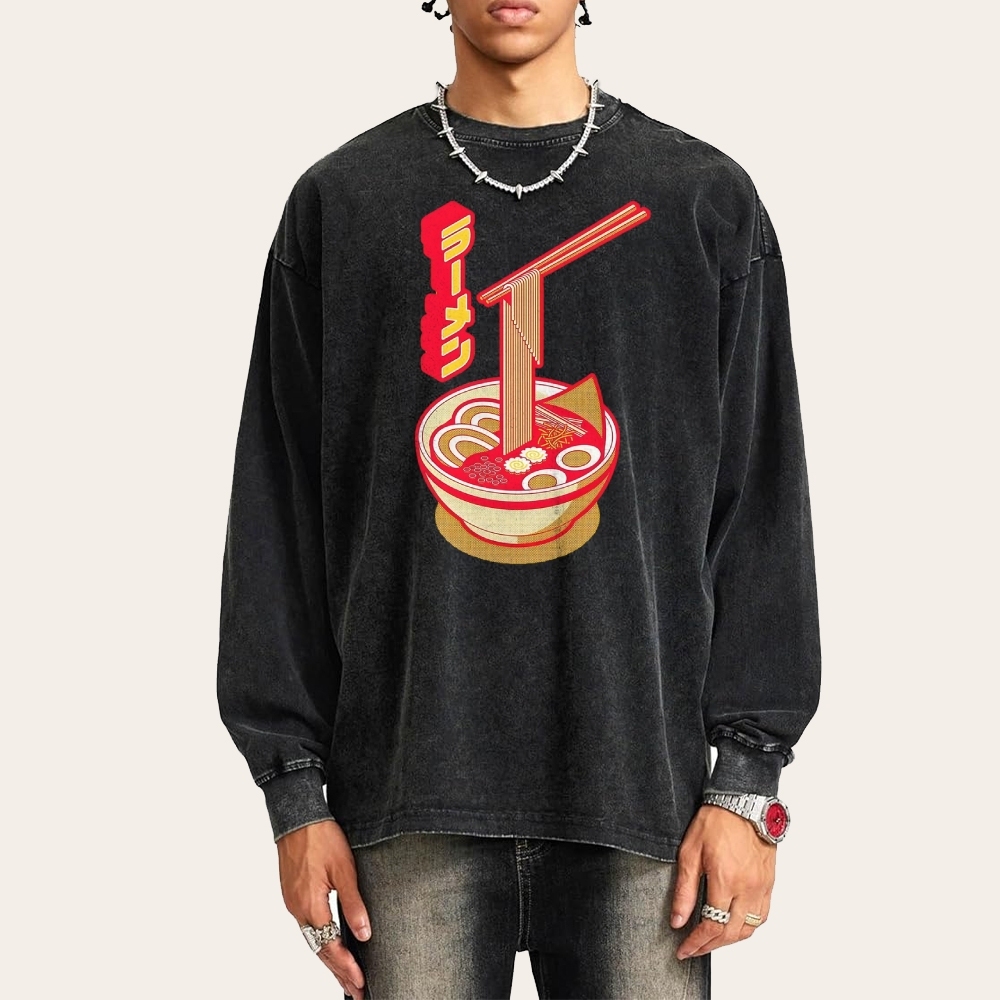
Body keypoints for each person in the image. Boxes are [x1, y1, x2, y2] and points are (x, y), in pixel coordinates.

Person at [215, 2, 822, 997]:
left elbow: (760, 503)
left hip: (647, 804)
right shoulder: (344, 201)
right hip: (404, 802)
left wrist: (749, 785)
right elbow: (277, 510)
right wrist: (292, 794)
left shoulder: (700, 198)